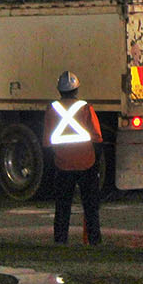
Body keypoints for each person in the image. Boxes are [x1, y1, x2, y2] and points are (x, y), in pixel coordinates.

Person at [45, 70, 103, 245]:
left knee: (62, 207)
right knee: (91, 207)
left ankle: (60, 240)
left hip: (63, 164)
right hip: (87, 162)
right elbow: (97, 137)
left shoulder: (52, 109)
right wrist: (96, 161)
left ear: (59, 90)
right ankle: (94, 241)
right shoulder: (85, 107)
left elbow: (47, 141)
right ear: (77, 89)